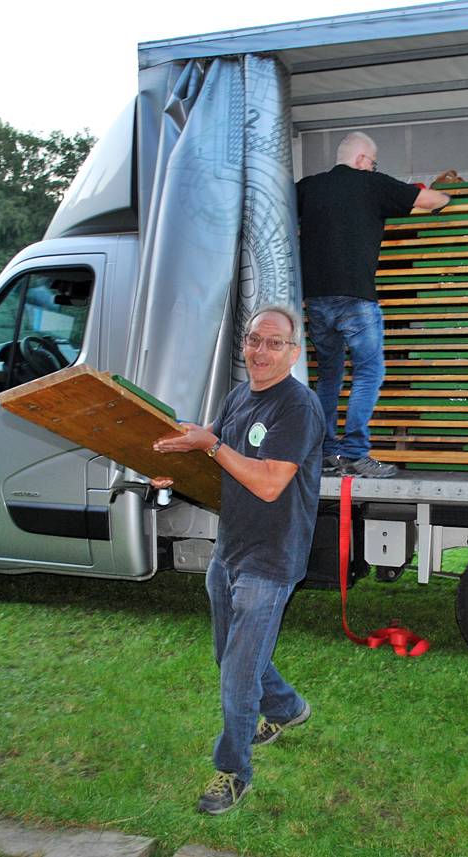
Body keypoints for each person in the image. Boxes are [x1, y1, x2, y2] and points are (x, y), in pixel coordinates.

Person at [150, 304, 324, 815]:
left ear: (293, 352)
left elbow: (269, 483)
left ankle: (232, 770)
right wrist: (177, 465)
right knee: (230, 656)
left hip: (271, 559)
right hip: (228, 551)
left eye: (274, 343)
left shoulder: (299, 406)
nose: (261, 351)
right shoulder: (238, 397)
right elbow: (212, 453)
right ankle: (287, 708)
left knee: (238, 674)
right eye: (254, 340)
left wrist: (212, 445)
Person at [296, 131, 451, 478]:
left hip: (317, 300)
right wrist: (447, 196)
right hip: (356, 298)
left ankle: (326, 453)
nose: (373, 167)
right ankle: (355, 453)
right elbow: (431, 201)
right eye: (374, 162)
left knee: (329, 376)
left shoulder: (309, 187)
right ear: (362, 159)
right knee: (368, 371)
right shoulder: (373, 184)